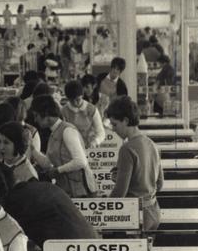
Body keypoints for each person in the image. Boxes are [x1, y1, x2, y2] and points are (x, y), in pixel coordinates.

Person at [0, 126, 97, 247]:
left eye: (6, 142)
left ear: (17, 144)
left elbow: (26, 216)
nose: (1, 147)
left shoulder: (29, 174)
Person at [106, 96, 163, 230]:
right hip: (153, 211)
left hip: (135, 215)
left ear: (125, 121)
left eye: (115, 124)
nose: (113, 130)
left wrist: (103, 205)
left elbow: (120, 192)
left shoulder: (127, 149)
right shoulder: (152, 144)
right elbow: (159, 185)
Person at [30, 95, 97, 198]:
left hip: (81, 191)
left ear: (46, 114)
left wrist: (58, 171)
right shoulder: (54, 133)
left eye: (36, 115)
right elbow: (48, 163)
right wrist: (31, 148)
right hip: (68, 189)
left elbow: (81, 161)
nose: (35, 120)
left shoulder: (67, 131)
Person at [61, 81, 105, 149]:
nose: (75, 103)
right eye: (72, 101)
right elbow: (61, 134)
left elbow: (101, 132)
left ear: (82, 95)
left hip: (89, 146)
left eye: (78, 100)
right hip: (71, 147)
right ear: (68, 99)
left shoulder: (92, 109)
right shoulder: (64, 111)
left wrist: (96, 141)